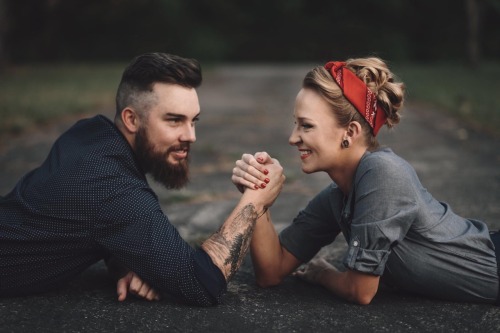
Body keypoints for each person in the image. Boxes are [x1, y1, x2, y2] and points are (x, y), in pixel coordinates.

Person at [0, 52, 285, 306]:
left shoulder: (89, 134)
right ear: (131, 120)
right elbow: (201, 282)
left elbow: (93, 217)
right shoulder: (113, 188)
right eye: (174, 120)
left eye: (193, 120)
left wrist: (126, 261)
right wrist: (254, 201)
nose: (190, 136)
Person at [232, 57, 500, 305]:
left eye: (306, 125)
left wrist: (322, 274)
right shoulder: (338, 197)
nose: (293, 138)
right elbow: (271, 271)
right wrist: (257, 196)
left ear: (350, 131)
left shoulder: (383, 173)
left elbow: (360, 291)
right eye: (295, 124)